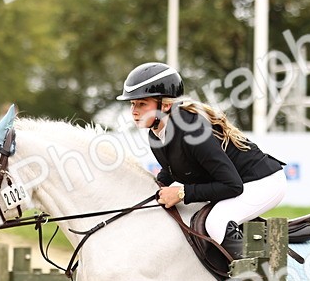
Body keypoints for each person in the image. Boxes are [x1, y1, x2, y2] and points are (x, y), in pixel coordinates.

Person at [117, 62, 286, 258]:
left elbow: (233, 186)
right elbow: (171, 171)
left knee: (215, 222)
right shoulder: (156, 134)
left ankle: (258, 278)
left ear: (165, 104)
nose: (134, 111)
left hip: (263, 183)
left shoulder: (192, 130)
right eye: (132, 104)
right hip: (239, 183)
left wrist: (182, 192)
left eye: (142, 104)